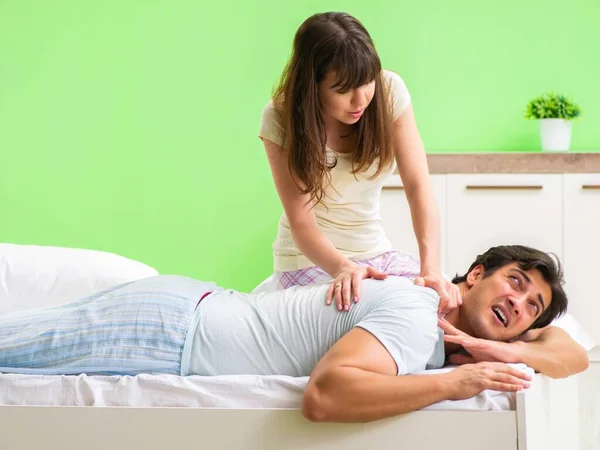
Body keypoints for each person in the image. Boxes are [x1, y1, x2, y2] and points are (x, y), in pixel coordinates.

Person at [0, 245, 588, 423]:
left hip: (185, 310)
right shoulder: (417, 315)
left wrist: (494, 350)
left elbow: (574, 355)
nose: (518, 302)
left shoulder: (441, 332)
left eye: (533, 306)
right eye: (514, 282)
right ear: (476, 275)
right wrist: (455, 382)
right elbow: (326, 394)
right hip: (167, 332)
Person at [257, 11, 460, 313]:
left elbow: (418, 187)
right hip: (310, 260)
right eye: (343, 89)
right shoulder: (281, 117)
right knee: (378, 310)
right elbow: (301, 223)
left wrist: (430, 269)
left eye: (367, 82)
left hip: (375, 252)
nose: (361, 99)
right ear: (311, 85)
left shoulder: (390, 92)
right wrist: (343, 267)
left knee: (450, 305)